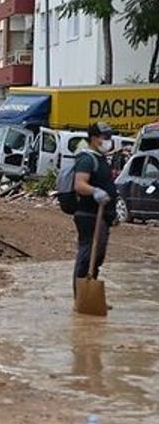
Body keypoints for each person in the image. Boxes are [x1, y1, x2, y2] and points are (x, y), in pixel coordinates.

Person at [71, 121, 118, 297]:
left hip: (102, 216)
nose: (108, 141)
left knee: (96, 257)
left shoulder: (100, 158)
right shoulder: (86, 159)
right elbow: (79, 184)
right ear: (94, 138)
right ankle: (81, 297)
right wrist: (95, 191)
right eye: (105, 137)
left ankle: (90, 296)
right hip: (89, 215)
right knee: (87, 257)